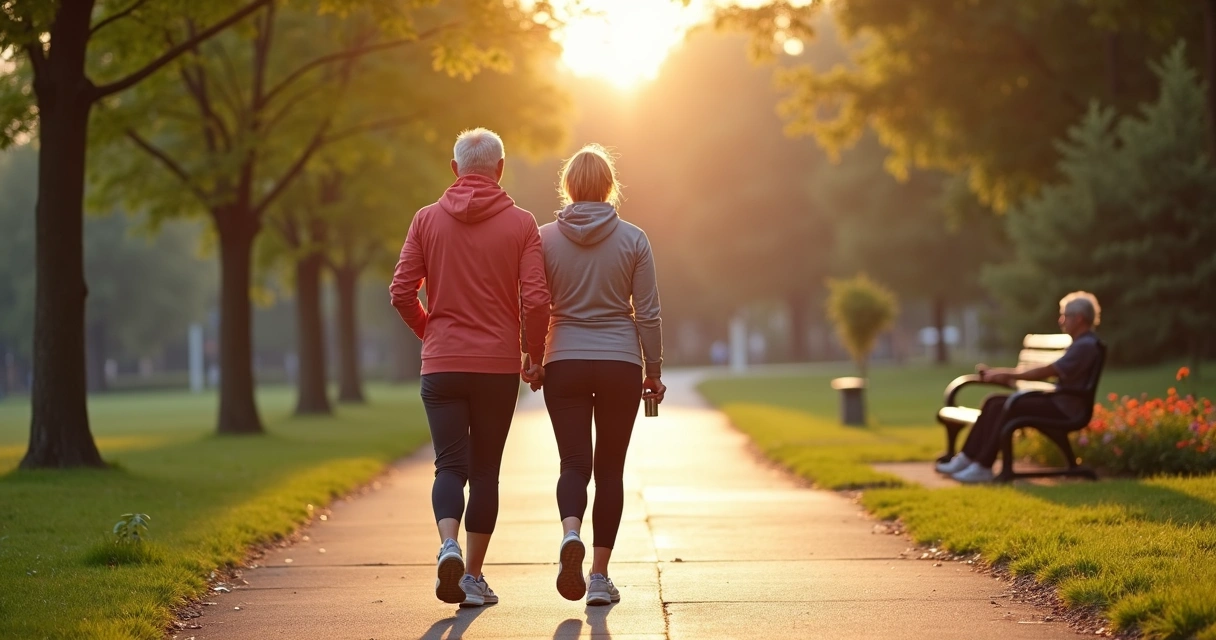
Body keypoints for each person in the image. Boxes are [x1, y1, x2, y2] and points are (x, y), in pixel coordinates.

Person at [390, 128, 550, 607]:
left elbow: (401, 292)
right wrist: (533, 354)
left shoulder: (425, 220)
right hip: (497, 367)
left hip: (441, 365)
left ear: (455, 169)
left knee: (449, 465)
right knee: (484, 472)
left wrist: (431, 335)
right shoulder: (522, 225)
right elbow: (537, 298)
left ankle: (448, 544)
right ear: (499, 169)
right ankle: (473, 578)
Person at [531, 143, 665, 605]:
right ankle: (599, 577)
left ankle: (571, 533)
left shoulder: (543, 239)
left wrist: (531, 356)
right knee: (609, 470)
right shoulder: (634, 239)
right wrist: (654, 369)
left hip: (563, 359)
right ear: (610, 186)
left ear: (567, 186)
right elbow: (647, 312)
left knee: (573, 464)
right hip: (619, 363)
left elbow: (531, 303)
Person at [936, 292, 1103, 483]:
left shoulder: (1085, 345)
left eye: (1065, 315)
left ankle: (982, 465)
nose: (1061, 320)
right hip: (1058, 402)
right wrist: (999, 374)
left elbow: (1049, 370)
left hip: (1064, 408)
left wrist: (1006, 374)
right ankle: (968, 458)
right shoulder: (1082, 343)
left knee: (1004, 406)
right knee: (994, 402)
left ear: (1079, 318)